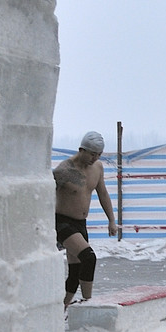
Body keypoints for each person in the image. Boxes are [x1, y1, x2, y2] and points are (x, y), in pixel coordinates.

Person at [53, 131, 118, 308]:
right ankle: (89, 303)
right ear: (81, 149)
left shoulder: (97, 168)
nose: (94, 158)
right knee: (89, 258)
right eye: (91, 154)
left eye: (98, 155)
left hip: (81, 224)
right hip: (62, 222)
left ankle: (61, 308)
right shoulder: (64, 170)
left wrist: (111, 220)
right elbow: (46, 197)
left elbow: (103, 193)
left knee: (76, 271)